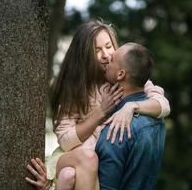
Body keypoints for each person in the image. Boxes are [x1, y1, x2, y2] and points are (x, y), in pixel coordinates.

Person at [25, 20, 170, 190]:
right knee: (83, 163)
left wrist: (132, 106)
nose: (106, 55)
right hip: (74, 157)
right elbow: (65, 141)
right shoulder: (75, 88)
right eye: (97, 50)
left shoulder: (125, 77)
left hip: (92, 171)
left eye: (109, 46)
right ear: (84, 56)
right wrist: (100, 112)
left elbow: (163, 105)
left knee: (70, 175)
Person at [96, 42, 166, 190]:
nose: (108, 58)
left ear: (121, 74)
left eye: (113, 59)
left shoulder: (116, 129)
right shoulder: (158, 119)